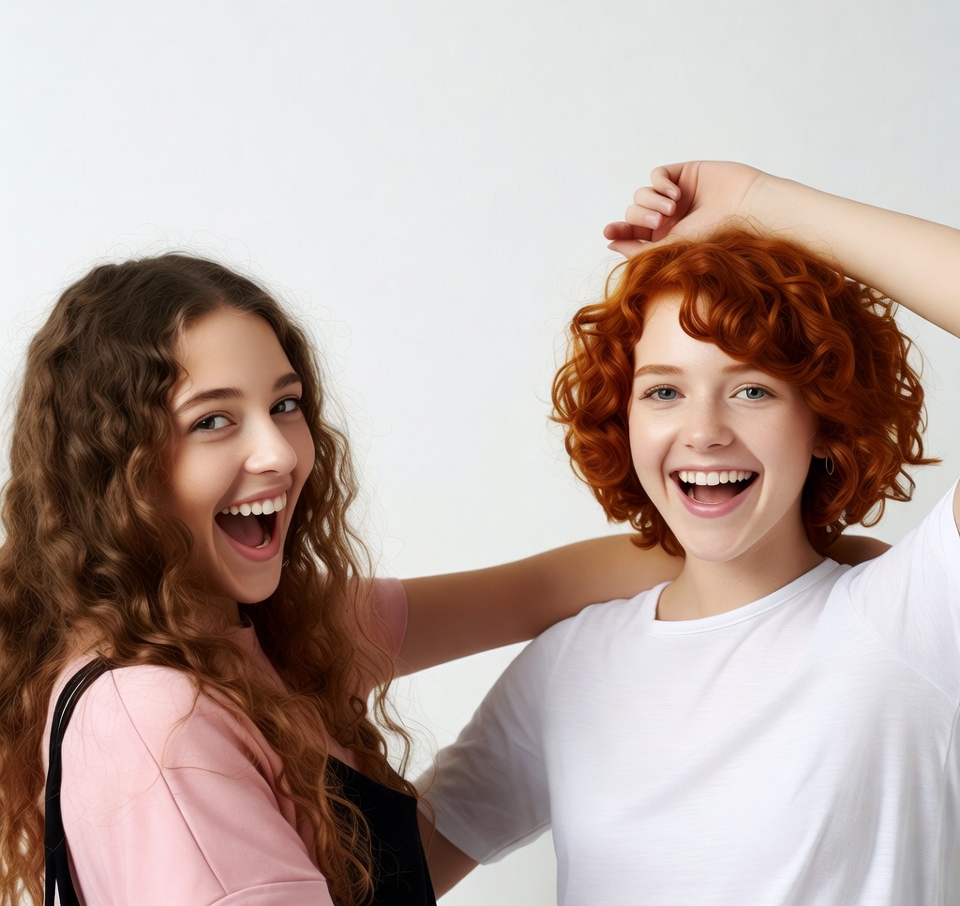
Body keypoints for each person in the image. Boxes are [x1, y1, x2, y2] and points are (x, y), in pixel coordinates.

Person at [0, 245, 887, 905]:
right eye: (213, 422)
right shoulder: (154, 713)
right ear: (116, 465)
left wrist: (810, 554)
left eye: (285, 405)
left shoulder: (262, 633)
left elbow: (536, 591)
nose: (278, 452)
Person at [419, 161, 960, 905]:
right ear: (625, 418)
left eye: (752, 390)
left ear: (826, 422)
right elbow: (363, 881)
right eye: (665, 391)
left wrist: (758, 204)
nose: (703, 432)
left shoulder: (909, 618)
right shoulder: (571, 664)